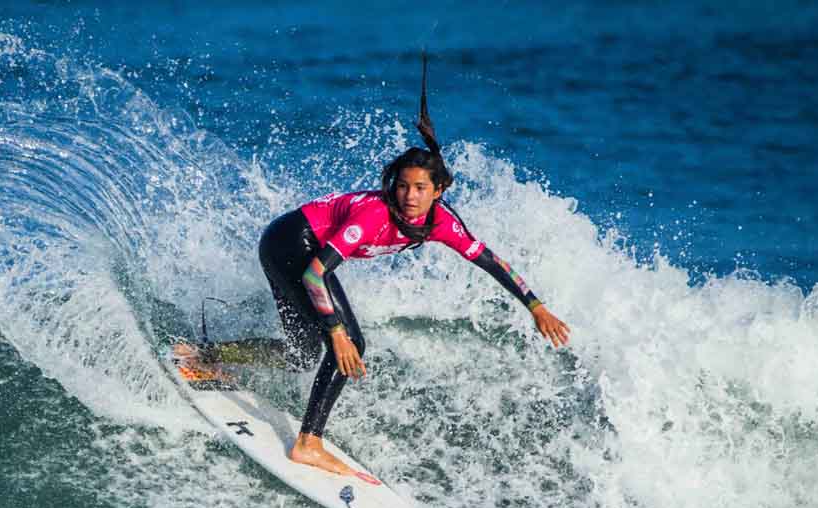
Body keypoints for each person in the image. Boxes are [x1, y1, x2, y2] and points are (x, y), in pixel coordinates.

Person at [204, 56, 570, 477]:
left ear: (438, 191)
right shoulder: (375, 216)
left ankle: (210, 355)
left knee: (302, 353)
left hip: (291, 245)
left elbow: (490, 261)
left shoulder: (442, 223)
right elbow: (314, 274)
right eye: (402, 186)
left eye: (419, 188)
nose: (409, 196)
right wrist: (338, 334)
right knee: (350, 344)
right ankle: (308, 443)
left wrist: (536, 307)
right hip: (292, 245)